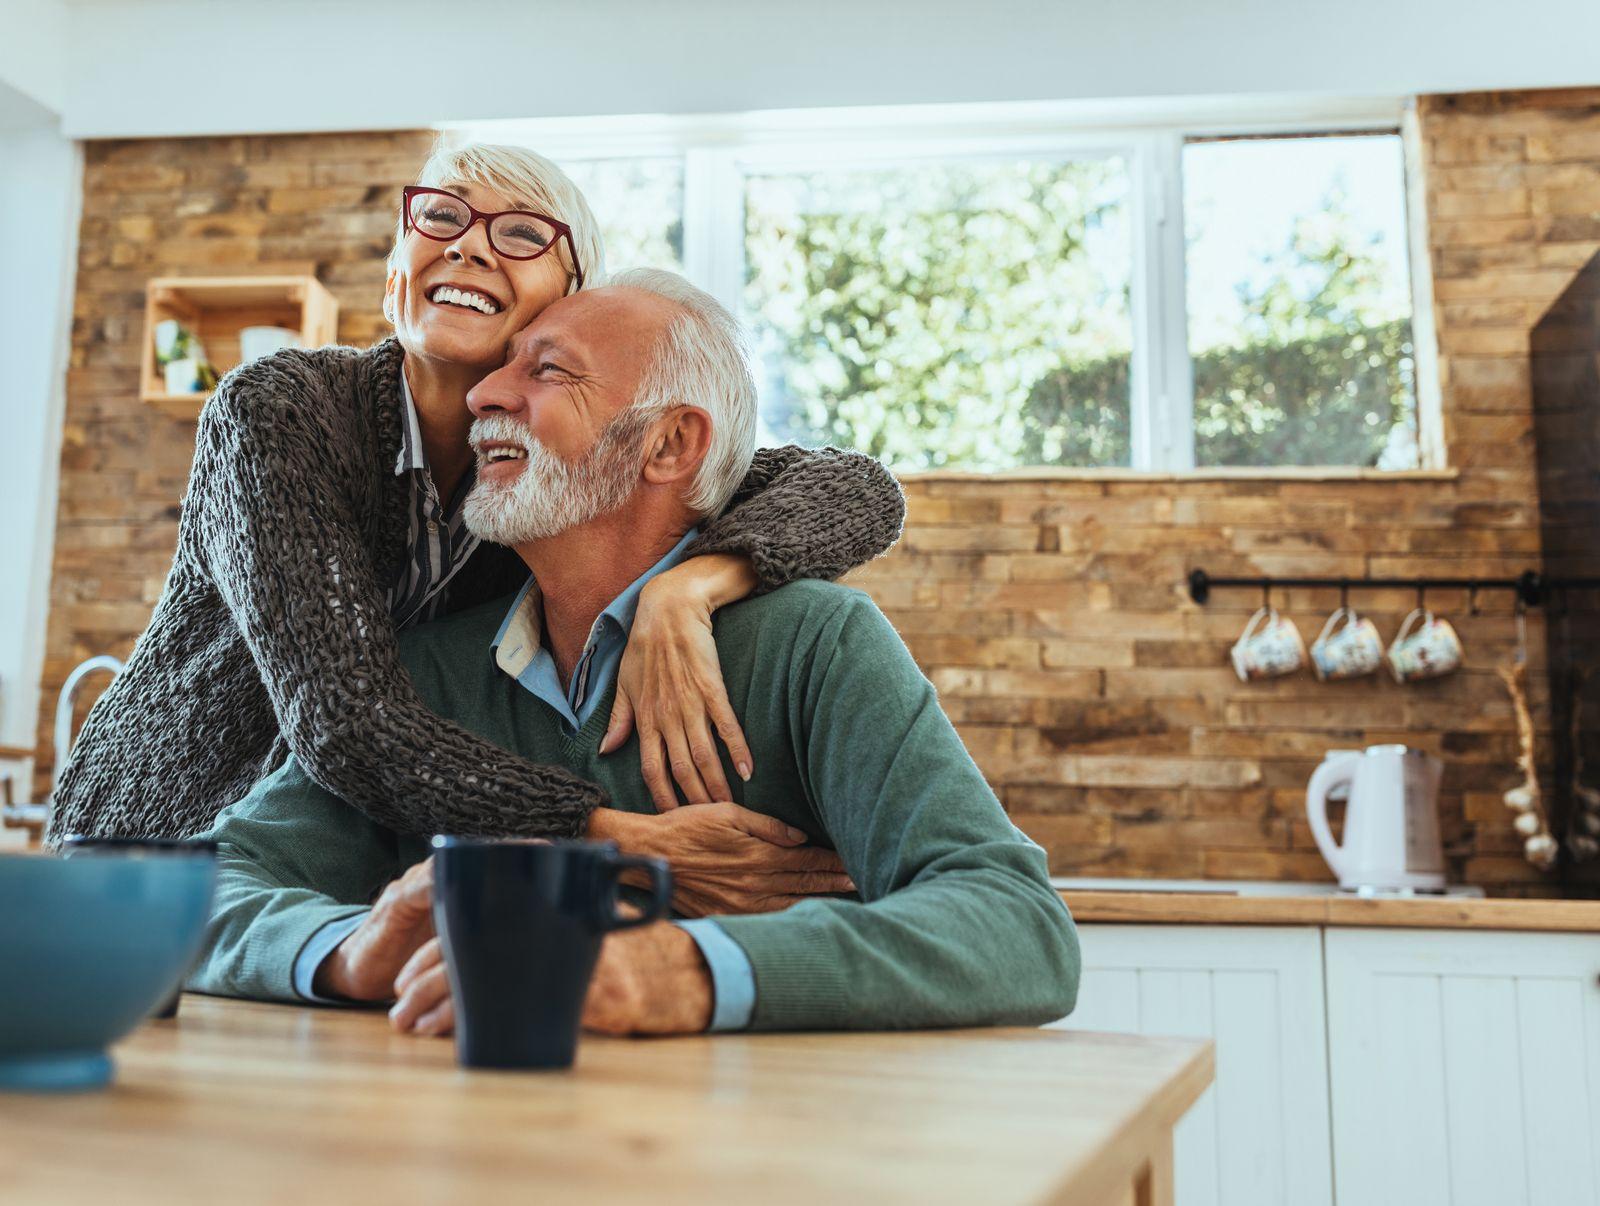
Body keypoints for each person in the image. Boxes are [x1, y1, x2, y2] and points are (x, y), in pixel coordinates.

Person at [189, 270, 1080, 1036]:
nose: (484, 394)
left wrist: (679, 969)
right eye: (503, 367)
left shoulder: (815, 644)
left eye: (547, 371)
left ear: (670, 443)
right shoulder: (427, 671)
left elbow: (1016, 926)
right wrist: (348, 951)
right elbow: (204, 889)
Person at [47, 142, 904, 918]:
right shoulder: (279, 412)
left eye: (522, 233)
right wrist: (615, 840)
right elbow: (346, 722)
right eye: (441, 217)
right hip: (159, 849)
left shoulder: (554, 478)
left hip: (335, 883)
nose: (468, 246)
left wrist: (692, 585)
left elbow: (854, 487)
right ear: (396, 275)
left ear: (569, 305)